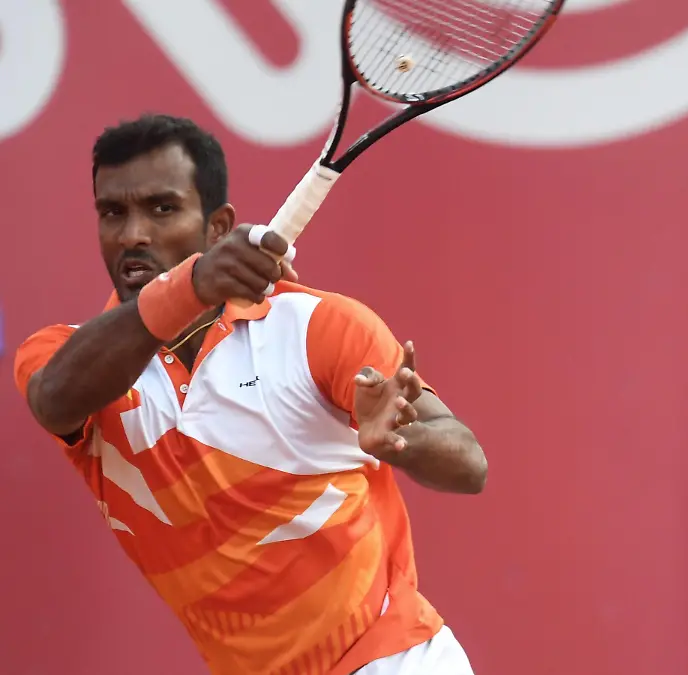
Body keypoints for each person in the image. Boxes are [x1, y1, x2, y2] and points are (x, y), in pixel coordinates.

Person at [12, 113, 487, 675]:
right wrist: (190, 287)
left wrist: (401, 440)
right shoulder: (66, 356)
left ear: (219, 228)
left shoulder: (317, 326)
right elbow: (56, 401)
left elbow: (469, 463)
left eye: (162, 208)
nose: (132, 234)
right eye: (112, 212)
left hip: (392, 660)